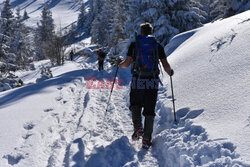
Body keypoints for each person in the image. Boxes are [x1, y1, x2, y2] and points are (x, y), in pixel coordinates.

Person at [117, 22, 174, 149]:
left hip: (138, 80)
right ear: (152, 32)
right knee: (149, 110)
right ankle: (147, 140)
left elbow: (126, 64)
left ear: (141, 32)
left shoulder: (134, 45)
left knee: (135, 104)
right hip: (152, 82)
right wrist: (170, 72)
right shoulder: (157, 46)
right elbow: (165, 65)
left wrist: (119, 64)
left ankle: (138, 127)